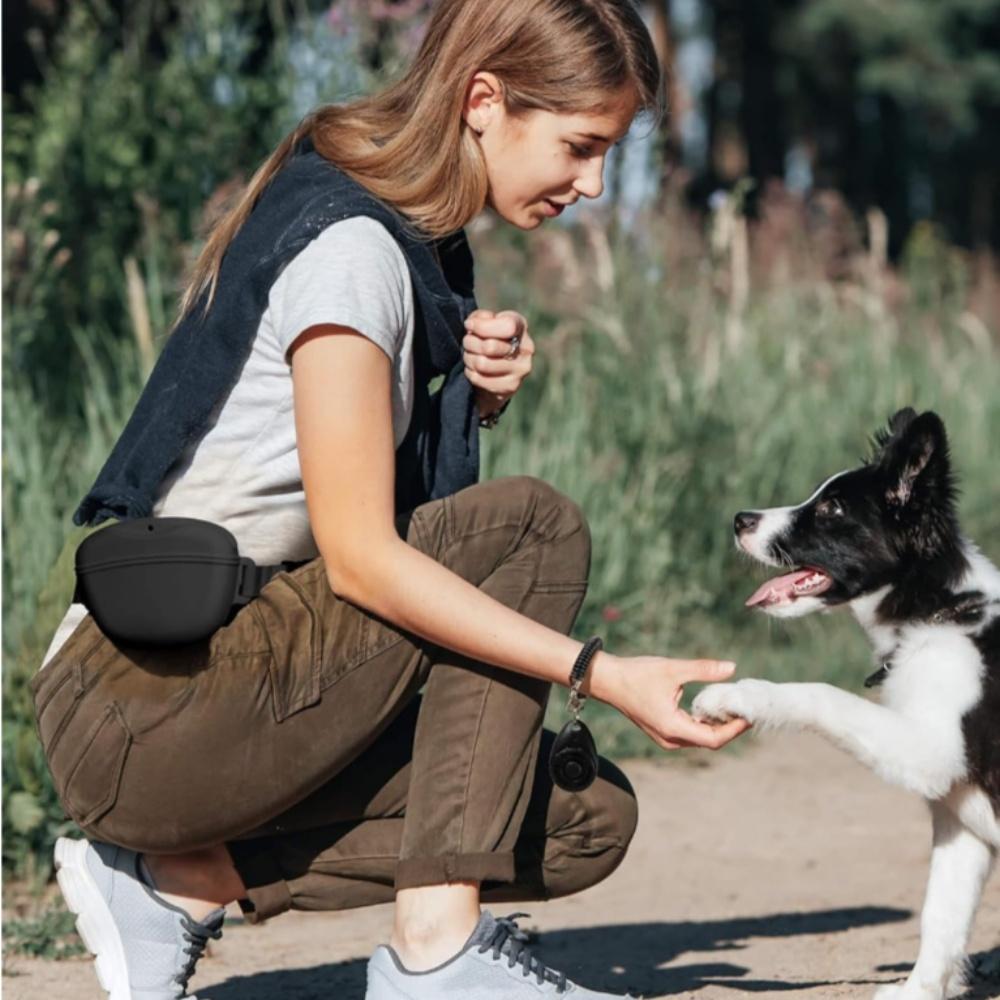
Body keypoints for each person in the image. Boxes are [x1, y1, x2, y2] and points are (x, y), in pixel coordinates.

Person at [33, 1, 750, 997]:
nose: (592, 185)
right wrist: (599, 670)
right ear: (484, 100)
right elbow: (365, 558)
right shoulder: (354, 253)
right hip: (142, 704)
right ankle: (437, 956)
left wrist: (470, 398)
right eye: (582, 146)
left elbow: (344, 512)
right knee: (532, 526)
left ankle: (178, 884)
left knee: (582, 818)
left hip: (236, 687)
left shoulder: (410, 253)